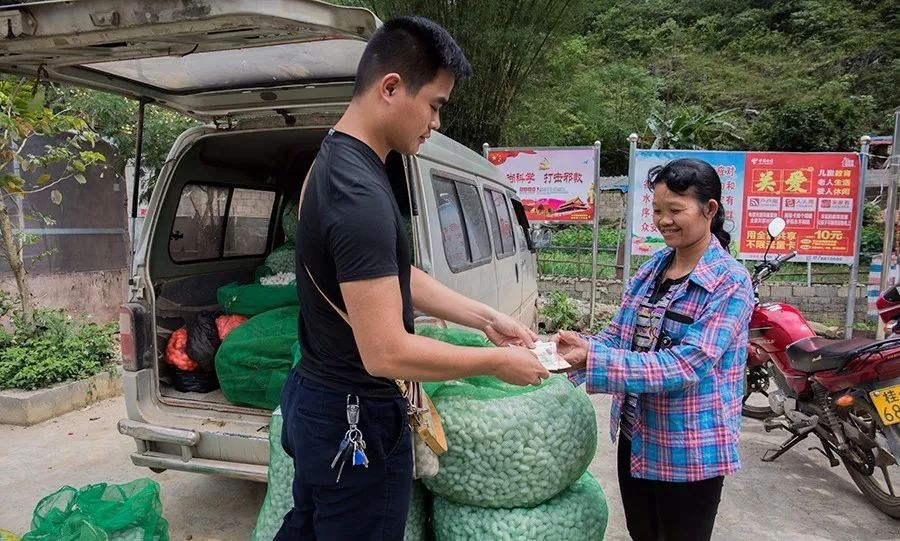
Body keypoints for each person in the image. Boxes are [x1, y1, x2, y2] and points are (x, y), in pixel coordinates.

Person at [276, 16, 549, 541]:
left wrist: (486, 317)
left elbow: (389, 275)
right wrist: (496, 363)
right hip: (353, 418)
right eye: (436, 104)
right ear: (392, 88)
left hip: (316, 399)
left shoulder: (330, 161)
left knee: (308, 528)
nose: (436, 122)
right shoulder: (359, 194)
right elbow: (386, 353)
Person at [553, 158, 753, 541]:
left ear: (709, 210)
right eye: (658, 211)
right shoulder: (652, 269)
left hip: (690, 445)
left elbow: (684, 366)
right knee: (642, 531)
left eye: (676, 210)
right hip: (638, 433)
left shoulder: (729, 282)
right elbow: (618, 338)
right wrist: (572, 349)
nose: (664, 221)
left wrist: (593, 358)